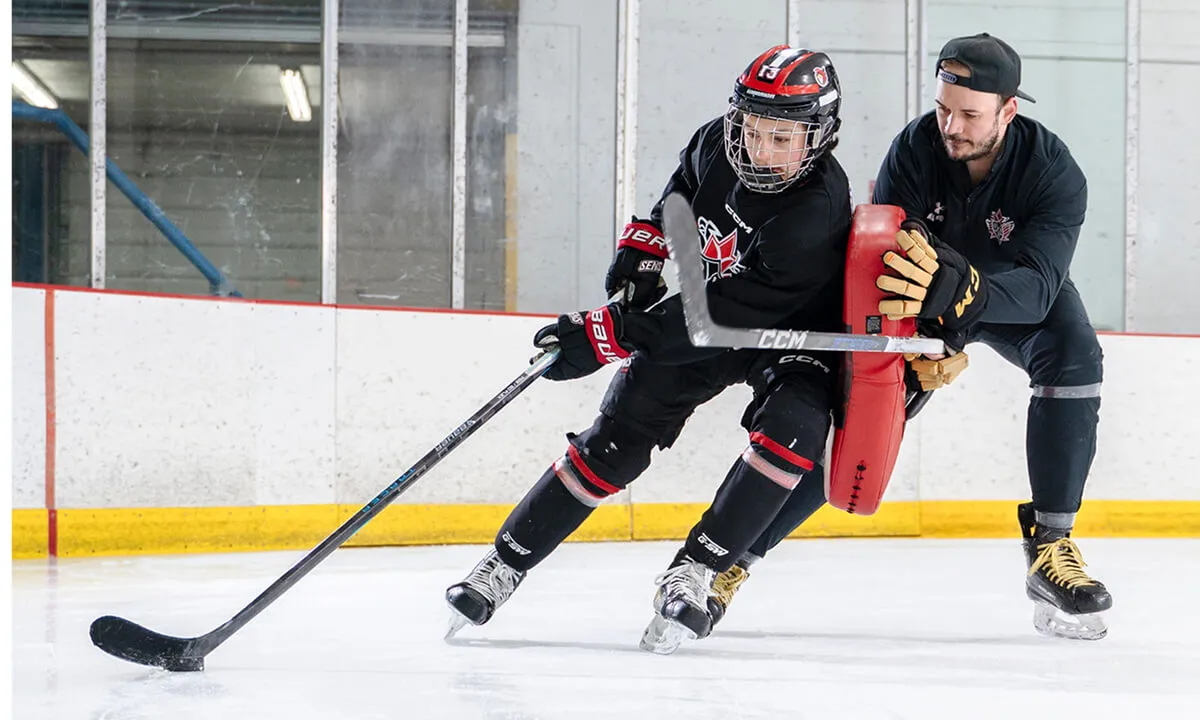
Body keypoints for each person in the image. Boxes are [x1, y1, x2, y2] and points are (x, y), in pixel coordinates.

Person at [444, 45, 851, 653]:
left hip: (789, 336)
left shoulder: (816, 211)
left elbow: (717, 315)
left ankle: (698, 569)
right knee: (615, 439)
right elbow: (682, 195)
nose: (760, 150)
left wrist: (609, 333)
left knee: (793, 430)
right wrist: (645, 250)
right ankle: (503, 564)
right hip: (713, 316)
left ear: (818, 137)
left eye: (782, 138)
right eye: (752, 129)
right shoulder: (716, 143)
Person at [706, 33, 1112, 641]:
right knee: (858, 417)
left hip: (1010, 294)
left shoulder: (1054, 170)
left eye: (970, 114)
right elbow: (884, 257)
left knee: (1075, 355)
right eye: (944, 107)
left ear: (1008, 110)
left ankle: (1051, 546)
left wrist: (966, 298)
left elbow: (1039, 287)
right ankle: (730, 560)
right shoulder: (916, 149)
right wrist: (930, 339)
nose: (951, 125)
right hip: (921, 302)